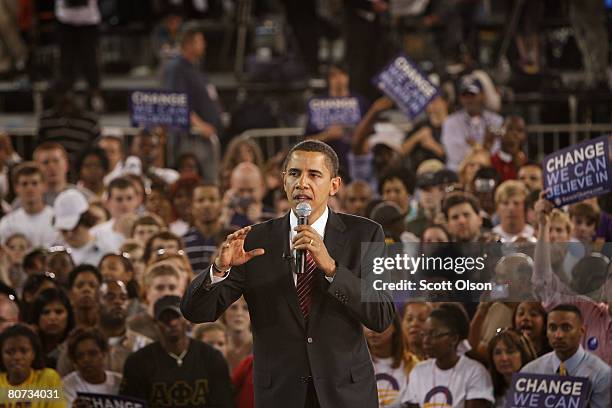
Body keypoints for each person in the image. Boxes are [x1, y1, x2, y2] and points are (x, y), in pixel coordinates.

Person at [181, 140, 395, 407]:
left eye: (314, 175)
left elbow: (382, 315)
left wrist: (331, 268)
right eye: (294, 173)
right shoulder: (254, 239)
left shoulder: (365, 234)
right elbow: (196, 312)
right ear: (283, 181)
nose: (302, 183)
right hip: (280, 395)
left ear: (334, 185)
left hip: (346, 395)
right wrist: (219, 268)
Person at [121, 295, 234, 407]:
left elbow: (223, 402)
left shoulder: (211, 358)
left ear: (187, 321)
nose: (172, 323)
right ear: (155, 324)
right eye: (165, 318)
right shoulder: (138, 362)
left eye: (176, 316)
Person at [163, 27, 223, 182]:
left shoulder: (195, 67)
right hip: (190, 138)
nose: (204, 45)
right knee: (197, 179)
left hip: (206, 138)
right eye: (200, 41)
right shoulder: (177, 68)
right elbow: (176, 102)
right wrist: (199, 125)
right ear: (189, 44)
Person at [520, 304, 611, 408]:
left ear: (581, 331)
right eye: (552, 328)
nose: (558, 335)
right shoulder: (529, 372)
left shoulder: (601, 374)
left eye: (566, 328)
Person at [404, 306, 495, 408]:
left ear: (454, 339)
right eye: (424, 334)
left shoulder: (475, 372)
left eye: (433, 334)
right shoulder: (418, 371)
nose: (426, 340)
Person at [441, 75, 503, 171]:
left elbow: (498, 152)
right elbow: (456, 155)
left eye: (473, 95)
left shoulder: (496, 120)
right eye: (465, 96)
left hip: (489, 171)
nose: (469, 100)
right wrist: (484, 146)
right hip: (458, 173)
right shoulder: (450, 122)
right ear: (460, 98)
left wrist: (474, 146)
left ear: (482, 95)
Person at [55, 0, 104, 112]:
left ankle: (95, 95)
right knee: (66, 60)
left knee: (90, 59)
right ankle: (67, 97)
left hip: (89, 19)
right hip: (65, 18)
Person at [0, 324, 65, 408]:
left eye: (24, 351)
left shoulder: (48, 378)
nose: (17, 357)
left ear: (33, 353)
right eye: (9, 352)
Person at [0, 162, 59, 247]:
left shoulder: (57, 220)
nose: (29, 188)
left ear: (44, 186)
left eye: (34, 183)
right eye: (24, 184)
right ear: (16, 188)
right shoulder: (8, 223)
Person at [365, 313, 417, 407]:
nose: (372, 330)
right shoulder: (355, 364)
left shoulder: (412, 364)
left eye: (378, 323)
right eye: (367, 324)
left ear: (395, 327)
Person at [62, 327, 122, 406]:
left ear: (104, 353)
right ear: (74, 360)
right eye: (80, 356)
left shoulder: (119, 382)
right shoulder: (67, 385)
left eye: (92, 353)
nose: (86, 360)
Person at [53, 189, 112, 265]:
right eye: (64, 230)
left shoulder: (105, 252)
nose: (69, 234)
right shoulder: (55, 254)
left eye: (74, 228)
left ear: (87, 221)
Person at [127, 263, 183, 342]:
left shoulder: (187, 326)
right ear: (147, 292)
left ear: (180, 292)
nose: (167, 293)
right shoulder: (130, 327)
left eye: (172, 287)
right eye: (160, 288)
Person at [487, 328, 537, 408]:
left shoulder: (539, 388)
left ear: (523, 354)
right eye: (498, 353)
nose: (504, 358)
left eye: (510, 352)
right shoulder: (488, 389)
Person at [28, 288, 75, 369]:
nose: (52, 318)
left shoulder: (75, 344)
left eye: (58, 312)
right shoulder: (27, 344)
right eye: (46, 312)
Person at [182, 183, 224, 273]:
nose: (206, 205)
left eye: (212, 199)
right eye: (200, 200)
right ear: (191, 206)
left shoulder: (232, 238)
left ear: (221, 205)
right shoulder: (183, 242)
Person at [90, 177, 140, 252]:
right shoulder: (96, 234)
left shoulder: (148, 229)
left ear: (137, 200)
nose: (125, 204)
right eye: (119, 199)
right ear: (107, 203)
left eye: (129, 198)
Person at [221, 296, 252, 373]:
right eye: (233, 308)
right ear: (224, 313)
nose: (239, 313)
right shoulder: (216, 345)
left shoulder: (262, 345)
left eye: (246, 308)